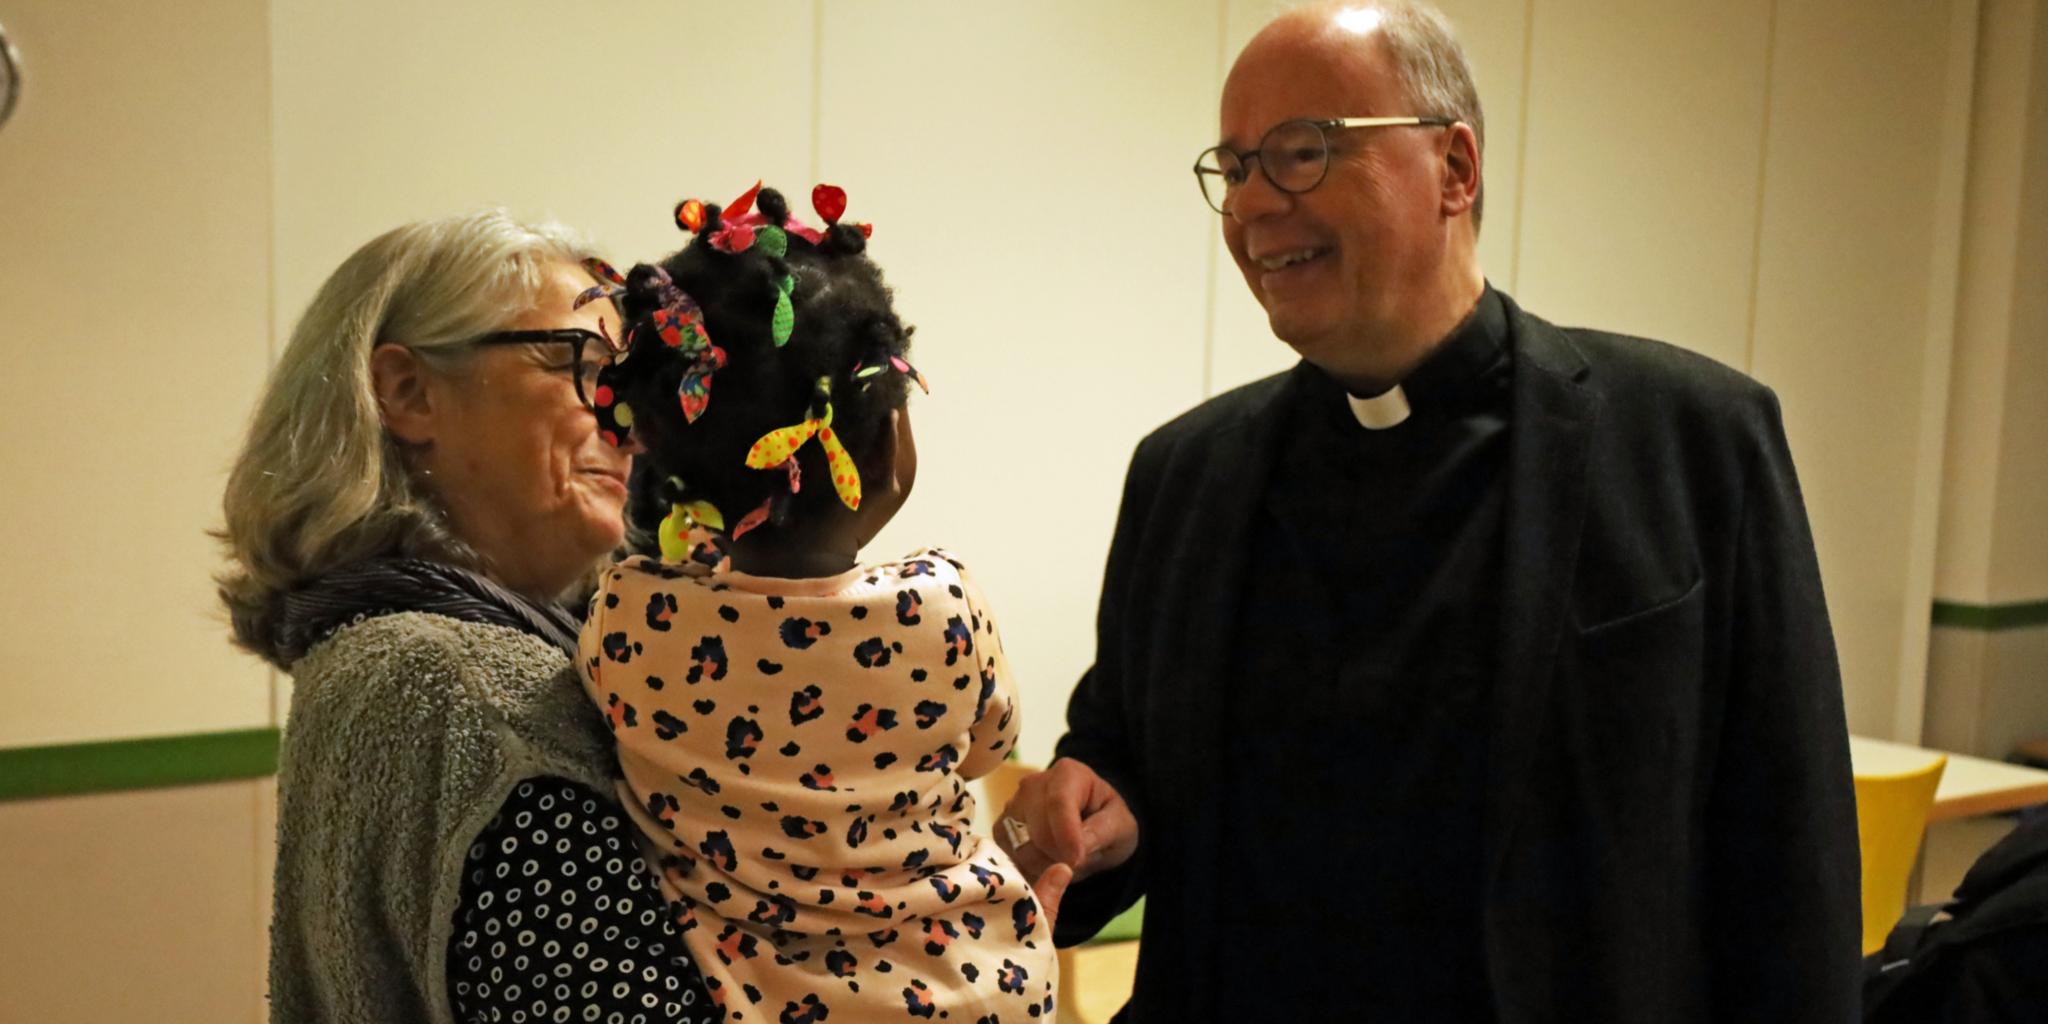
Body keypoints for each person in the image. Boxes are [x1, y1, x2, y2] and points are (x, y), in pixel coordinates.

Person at [996, 3, 1861, 1021]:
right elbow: (1121, 760)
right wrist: (1088, 815)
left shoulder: (1691, 442)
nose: (1254, 204)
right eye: (1232, 169)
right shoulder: (1183, 475)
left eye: (1303, 152)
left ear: (1455, 167)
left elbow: (1789, 857)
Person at [574, 183, 1065, 1023]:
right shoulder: (942, 606)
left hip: (749, 1003)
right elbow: (993, 746)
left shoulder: (628, 616)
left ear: (657, 447)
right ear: (890, 440)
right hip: (975, 993)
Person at [218, 210, 721, 1024]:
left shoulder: (381, 654)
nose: (631, 426)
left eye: (632, 389)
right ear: (411, 394)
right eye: (584, 367)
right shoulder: (479, 694)